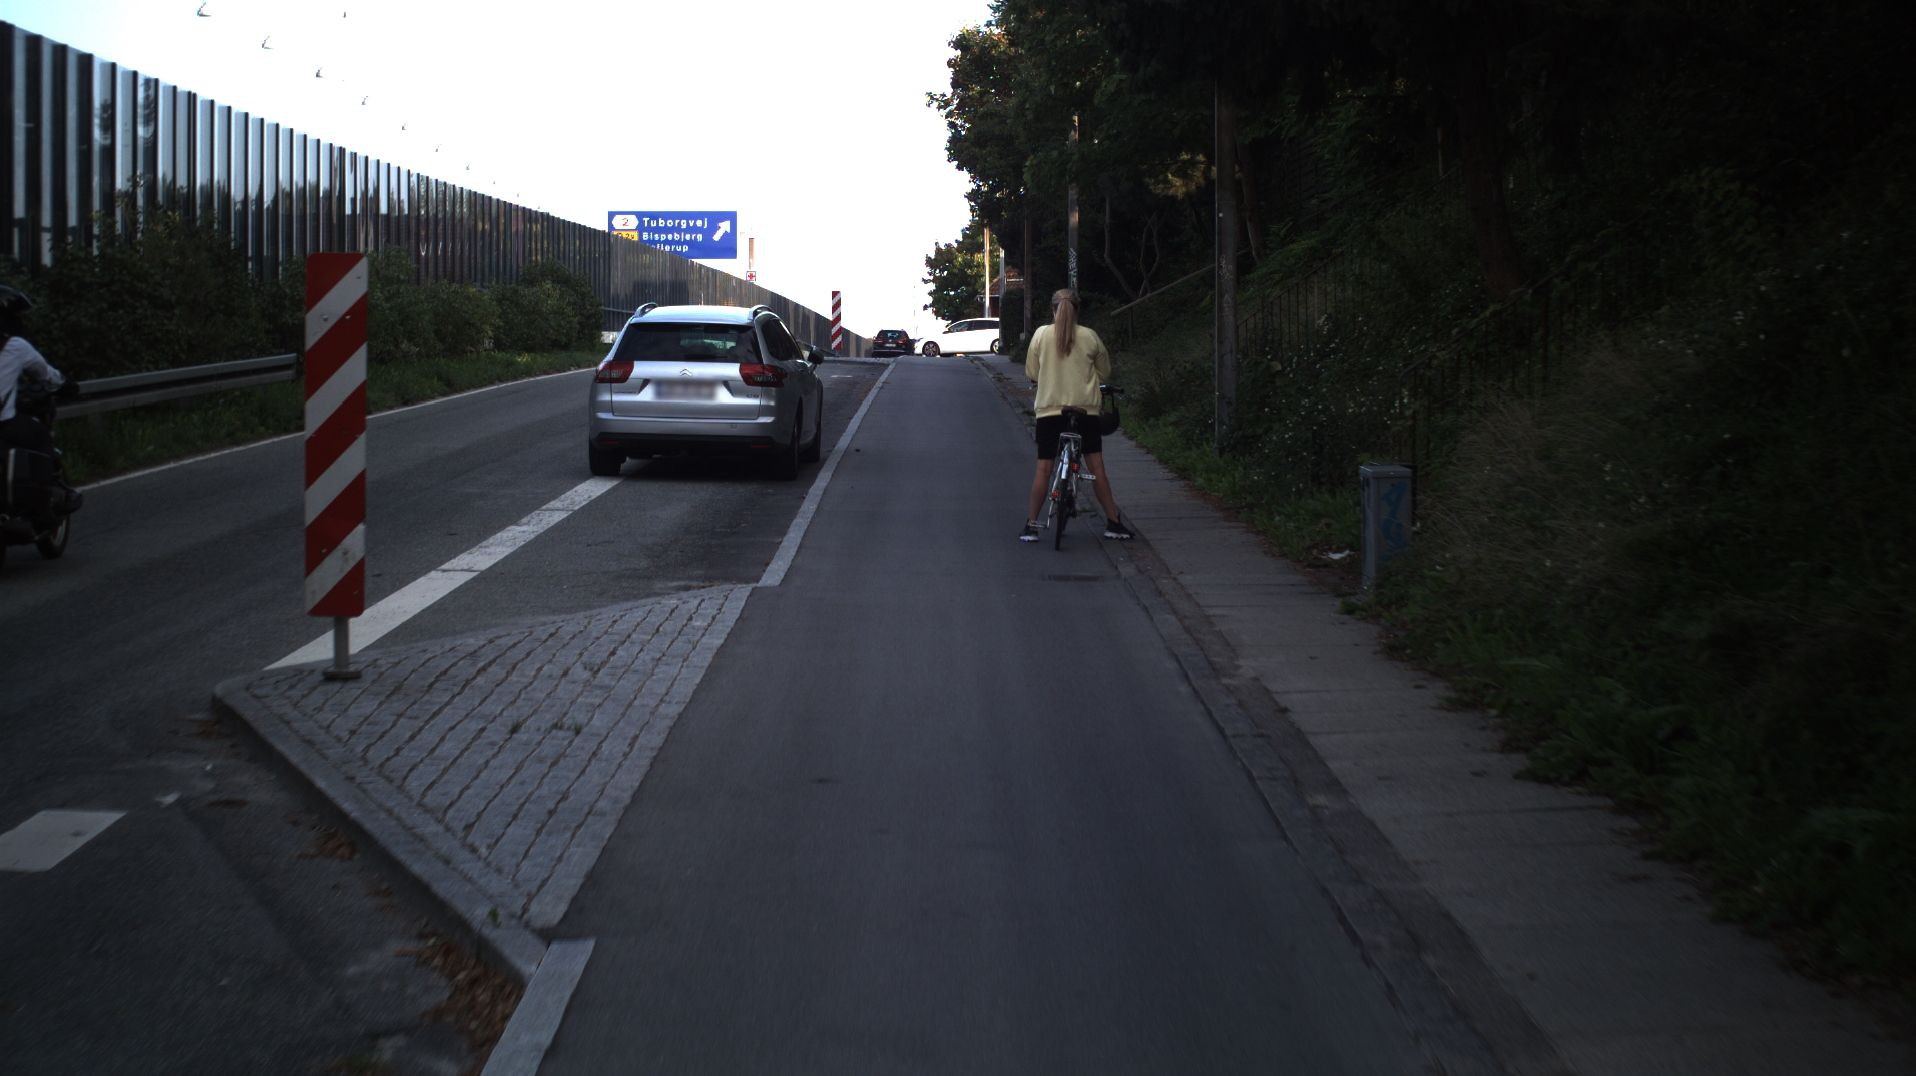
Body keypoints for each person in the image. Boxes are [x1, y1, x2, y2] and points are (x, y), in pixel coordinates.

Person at [1019, 288, 1133, 542]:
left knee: (1044, 469)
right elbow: (1104, 372)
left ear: (1052, 309)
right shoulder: (1090, 336)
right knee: (1096, 468)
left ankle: (1031, 525)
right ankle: (1113, 523)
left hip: (1049, 411)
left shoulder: (1041, 335)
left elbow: (1032, 372)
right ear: (1078, 309)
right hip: (1085, 412)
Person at [0, 285, 82, 513]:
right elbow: (47, 375)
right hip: (4, 426)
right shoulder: (15, 347)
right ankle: (48, 497)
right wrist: (66, 385)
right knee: (40, 436)